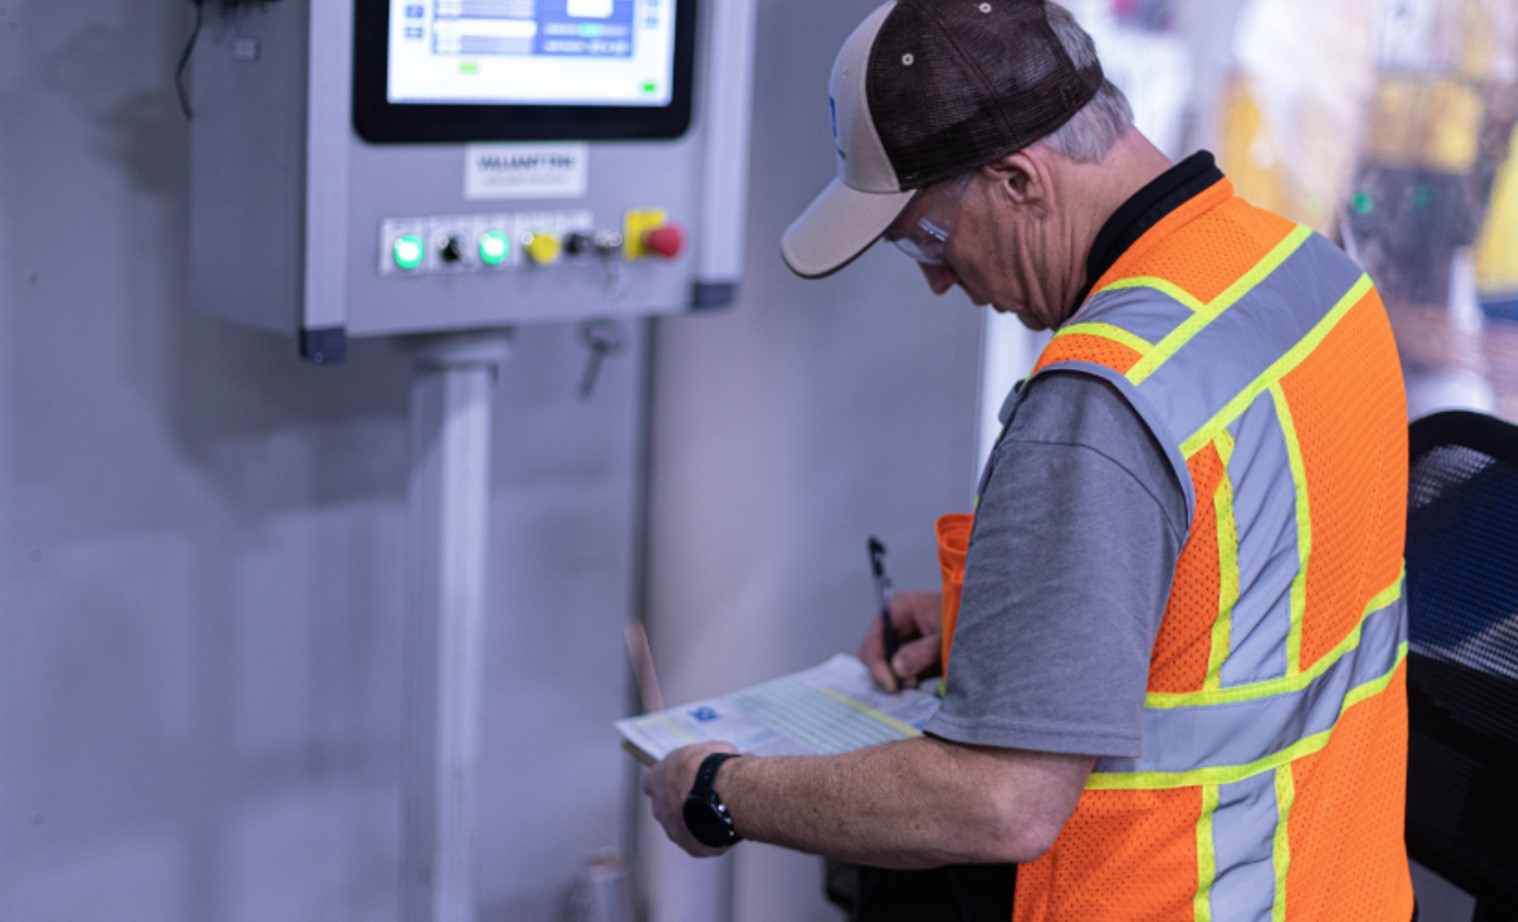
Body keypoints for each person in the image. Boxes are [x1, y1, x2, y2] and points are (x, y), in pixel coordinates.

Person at [641, 1, 1415, 919]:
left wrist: (722, 790)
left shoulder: (1104, 399)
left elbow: (1000, 801)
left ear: (1018, 182)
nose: (937, 280)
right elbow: (1261, 601)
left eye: (925, 237)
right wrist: (1030, 639)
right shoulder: (1312, 279)